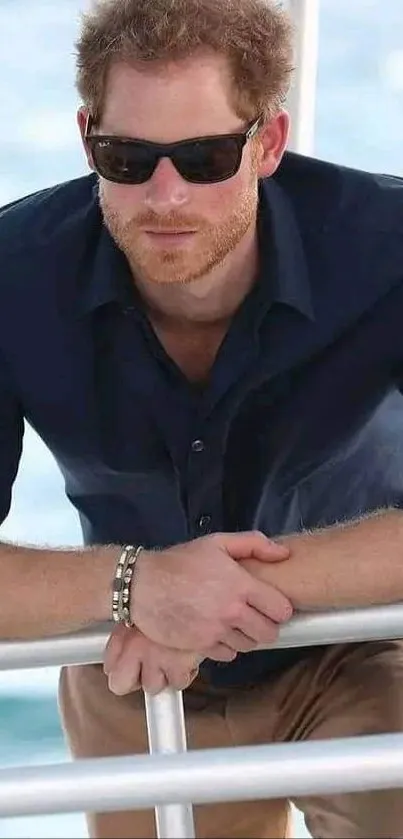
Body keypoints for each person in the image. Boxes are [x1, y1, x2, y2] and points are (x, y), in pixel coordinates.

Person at [2, 0, 403, 834]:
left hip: (358, 642)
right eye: (127, 157)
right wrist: (136, 586)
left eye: (206, 155)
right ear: (86, 141)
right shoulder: (13, 276)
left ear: (268, 142)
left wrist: (219, 593)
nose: (165, 193)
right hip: (128, 661)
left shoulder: (386, 245)